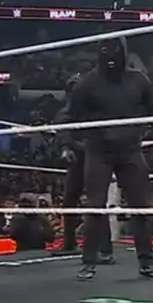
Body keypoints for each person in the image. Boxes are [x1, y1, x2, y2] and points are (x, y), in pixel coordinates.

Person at [67, 37, 153, 281]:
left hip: (130, 149)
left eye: (115, 51)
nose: (111, 57)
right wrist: (68, 143)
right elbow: (71, 116)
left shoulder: (138, 80)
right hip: (99, 150)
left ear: (124, 52)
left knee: (141, 205)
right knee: (95, 205)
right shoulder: (87, 83)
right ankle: (88, 262)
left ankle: (147, 263)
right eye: (107, 51)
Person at [58, 73, 86, 252]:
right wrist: (67, 147)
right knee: (69, 200)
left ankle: (100, 244)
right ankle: (69, 242)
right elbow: (63, 130)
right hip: (78, 158)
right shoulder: (66, 111)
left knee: (96, 201)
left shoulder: (94, 109)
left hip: (97, 157)